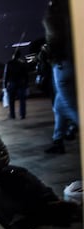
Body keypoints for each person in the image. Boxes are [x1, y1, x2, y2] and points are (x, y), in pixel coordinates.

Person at [43, 0, 78, 154]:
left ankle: (71, 129)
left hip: (62, 64)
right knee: (59, 106)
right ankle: (58, 141)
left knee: (71, 108)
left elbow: (54, 38)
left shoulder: (54, 14)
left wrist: (46, 52)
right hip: (73, 62)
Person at [3, 49, 29, 119]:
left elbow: (6, 75)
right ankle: (22, 114)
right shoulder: (22, 64)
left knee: (11, 101)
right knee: (22, 100)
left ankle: (12, 114)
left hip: (11, 83)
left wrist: (4, 85)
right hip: (21, 83)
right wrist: (26, 84)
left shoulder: (9, 63)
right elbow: (26, 75)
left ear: (13, 55)